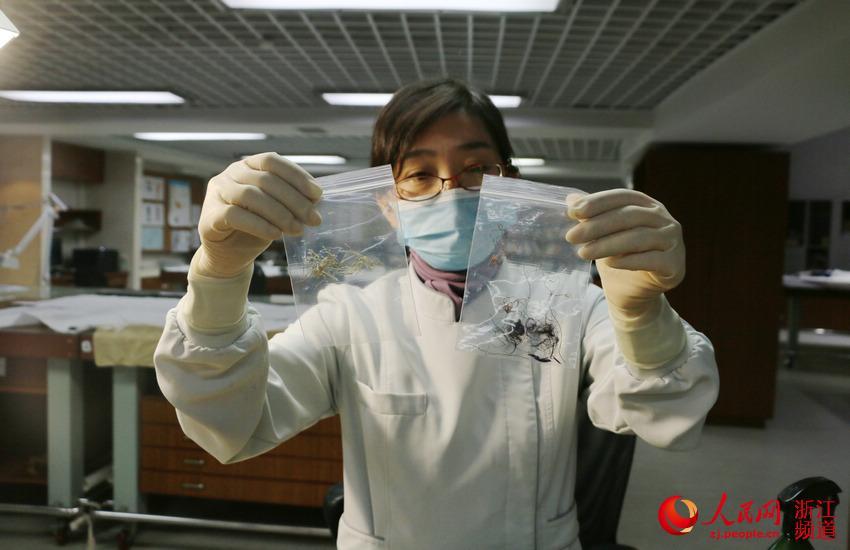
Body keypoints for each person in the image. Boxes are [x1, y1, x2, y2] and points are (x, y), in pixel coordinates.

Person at [154, 78, 719, 550]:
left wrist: (641, 313)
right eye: (420, 174)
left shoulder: (566, 302)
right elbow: (233, 423)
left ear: (509, 184)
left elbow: (665, 413)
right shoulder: (349, 314)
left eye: (476, 168)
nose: (451, 191)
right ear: (387, 203)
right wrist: (218, 276)